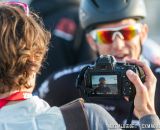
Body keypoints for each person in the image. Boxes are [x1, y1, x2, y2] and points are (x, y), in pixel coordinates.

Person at [0, 2, 160, 130]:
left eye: (127, 33)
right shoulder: (65, 82)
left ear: (143, 33)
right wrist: (148, 117)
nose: (118, 44)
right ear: (91, 41)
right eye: (106, 35)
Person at [29, 0, 96, 88]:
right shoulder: (81, 17)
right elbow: (88, 71)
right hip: (67, 98)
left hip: (24, 97)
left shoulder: (21, 18)